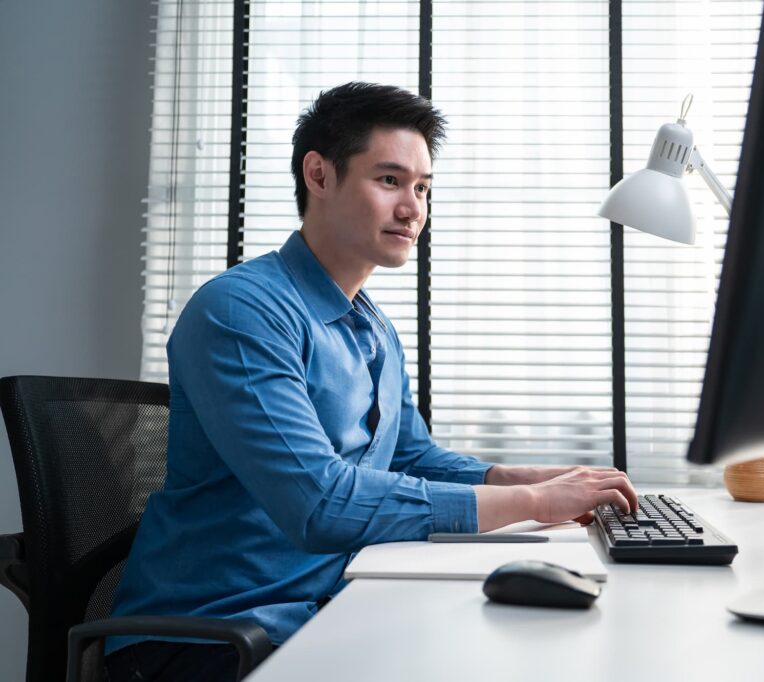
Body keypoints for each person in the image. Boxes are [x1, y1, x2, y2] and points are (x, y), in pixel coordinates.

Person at [104, 82, 638, 681]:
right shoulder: (241, 311)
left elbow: (410, 455)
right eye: (389, 181)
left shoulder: (372, 327)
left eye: (422, 188)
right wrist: (533, 504)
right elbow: (319, 503)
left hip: (331, 605)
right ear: (319, 174)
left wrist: (521, 478)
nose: (413, 209)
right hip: (212, 637)